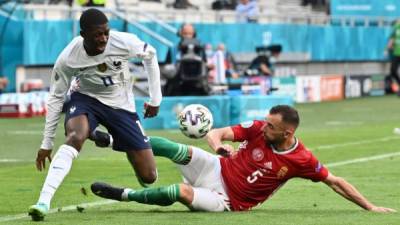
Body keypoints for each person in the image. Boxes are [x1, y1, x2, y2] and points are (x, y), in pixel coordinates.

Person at [90, 105, 396, 213]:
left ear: (288, 133)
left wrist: (368, 206)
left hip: (226, 199)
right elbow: (219, 133)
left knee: (178, 192)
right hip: (217, 166)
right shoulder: (258, 129)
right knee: (173, 147)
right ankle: (112, 140)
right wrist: (218, 145)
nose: (264, 127)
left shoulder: (301, 159)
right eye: (266, 122)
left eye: (272, 126)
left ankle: (125, 195)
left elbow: (335, 182)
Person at [28, 8, 162, 221]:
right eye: (97, 34)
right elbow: (55, 97)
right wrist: (47, 143)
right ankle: (43, 202)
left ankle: (109, 140)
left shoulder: (123, 41)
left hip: (121, 105)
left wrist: (156, 99)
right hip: (86, 99)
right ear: (83, 35)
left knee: (149, 177)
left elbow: (151, 54)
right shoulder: (68, 58)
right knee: (75, 137)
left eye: (106, 33)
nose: (103, 39)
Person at [386, 19, 400, 96]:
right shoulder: (396, 27)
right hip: (396, 53)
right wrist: (387, 49)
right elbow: (391, 39)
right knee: (392, 71)